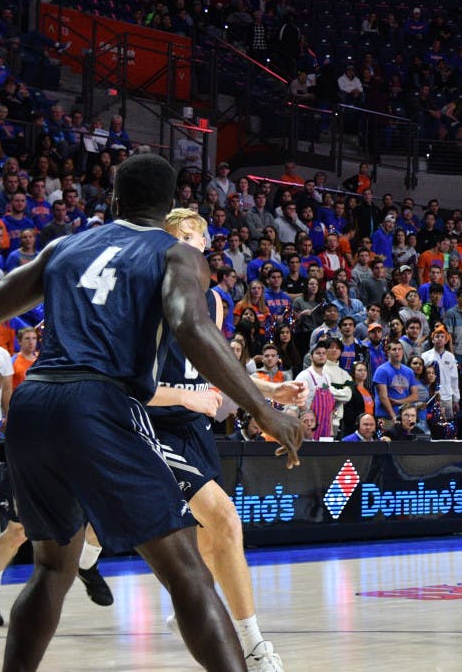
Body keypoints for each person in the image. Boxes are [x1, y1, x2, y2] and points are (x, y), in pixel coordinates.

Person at [0, 154, 303, 672]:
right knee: (186, 569)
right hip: (100, 403)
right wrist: (263, 409)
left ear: (114, 200)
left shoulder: (63, 247)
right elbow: (192, 324)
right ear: (169, 209)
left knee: (52, 567)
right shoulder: (176, 254)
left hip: (34, 403)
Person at [146, 208, 305, 670]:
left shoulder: (214, 301)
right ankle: (254, 649)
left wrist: (268, 391)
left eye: (196, 235)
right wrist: (182, 396)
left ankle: (193, 607)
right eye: (181, 235)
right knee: (226, 521)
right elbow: (131, 380)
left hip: (195, 427)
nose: (191, 241)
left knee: (211, 542)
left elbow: (214, 369)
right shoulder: (149, 296)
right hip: (155, 422)